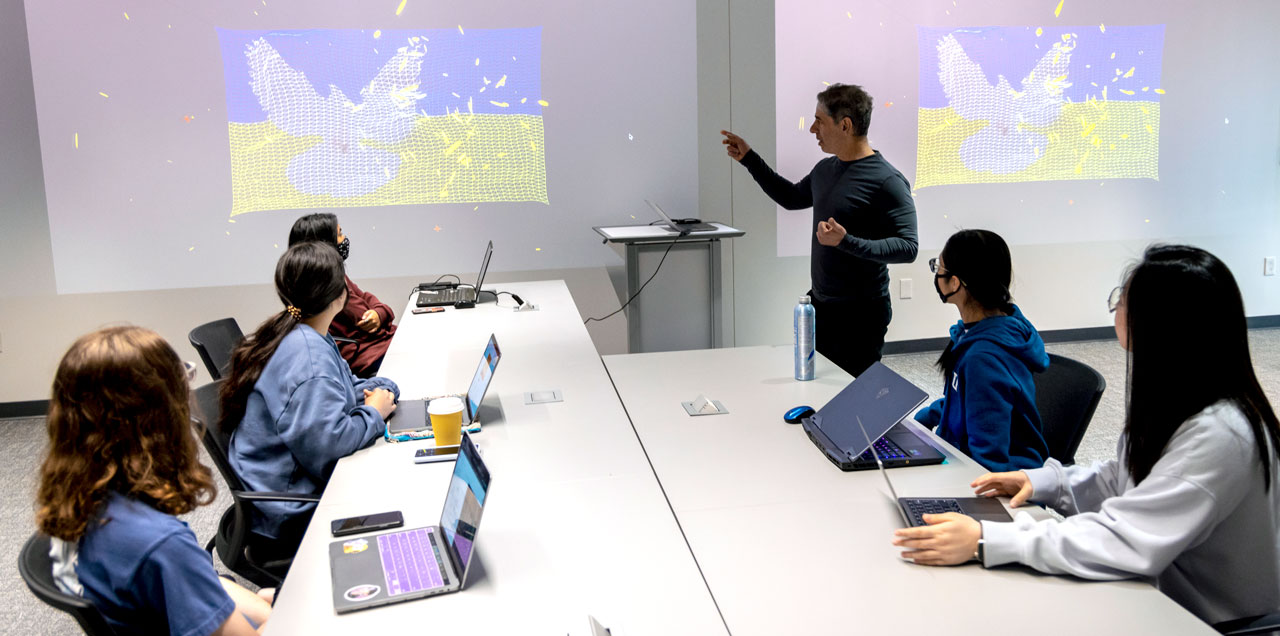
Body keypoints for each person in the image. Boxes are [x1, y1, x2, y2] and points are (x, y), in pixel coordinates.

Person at [892, 245, 1280, 626]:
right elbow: (1124, 478)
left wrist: (987, 540)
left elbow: (1125, 538)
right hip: (1155, 592)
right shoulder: (1179, 397)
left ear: (1161, 323)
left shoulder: (1220, 435)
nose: (1116, 309)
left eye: (1123, 300)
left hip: (1196, 617)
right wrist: (1042, 480)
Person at [35, 326, 273, 635]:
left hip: (166, 613)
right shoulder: (161, 542)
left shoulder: (84, 502)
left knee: (269, 599)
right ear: (161, 416)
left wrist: (267, 609)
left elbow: (193, 581)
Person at [721, 83, 918, 376]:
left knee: (853, 394)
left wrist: (847, 241)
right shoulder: (825, 170)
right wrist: (750, 159)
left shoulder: (887, 180)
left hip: (861, 314)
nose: (813, 129)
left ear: (845, 125)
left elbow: (908, 247)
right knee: (818, 389)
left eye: (820, 121)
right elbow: (791, 198)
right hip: (822, 305)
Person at [221, 241, 399, 554]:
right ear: (340, 294)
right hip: (290, 510)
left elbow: (345, 389)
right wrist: (373, 413)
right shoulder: (309, 357)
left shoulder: (304, 332)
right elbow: (329, 448)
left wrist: (384, 390)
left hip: (284, 487)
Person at [912, 229, 1050, 472]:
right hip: (963, 457)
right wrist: (921, 421)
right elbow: (964, 404)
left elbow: (989, 460)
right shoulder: (979, 331)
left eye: (939, 267)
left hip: (995, 478)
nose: (937, 274)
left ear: (955, 282)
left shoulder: (983, 359)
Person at [288, 213, 396, 378]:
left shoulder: (332, 275)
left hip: (373, 349)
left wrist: (379, 313)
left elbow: (365, 297)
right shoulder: (326, 283)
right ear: (324, 243)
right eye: (339, 234)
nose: (344, 238)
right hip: (368, 356)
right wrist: (382, 313)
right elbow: (365, 318)